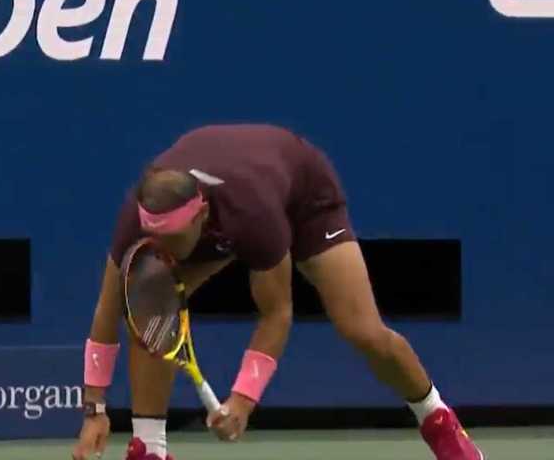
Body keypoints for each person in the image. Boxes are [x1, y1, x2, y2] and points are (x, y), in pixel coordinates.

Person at [71, 124, 484, 460]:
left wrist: (242, 400)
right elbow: (109, 313)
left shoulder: (253, 215)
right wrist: (95, 410)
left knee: (362, 328)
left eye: (173, 239)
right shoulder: (135, 223)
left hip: (302, 197)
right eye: (151, 238)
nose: (159, 251)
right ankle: (149, 448)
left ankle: (438, 420)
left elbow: (277, 312)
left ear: (201, 215)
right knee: (148, 303)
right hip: (226, 217)